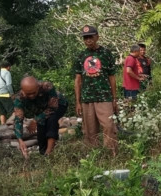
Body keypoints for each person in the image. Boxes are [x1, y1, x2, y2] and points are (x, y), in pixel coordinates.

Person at [73, 25, 118, 155]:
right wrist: (78, 101)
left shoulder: (106, 53)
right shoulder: (81, 56)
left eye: (90, 37)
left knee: (109, 127)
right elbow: (78, 80)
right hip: (87, 98)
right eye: (85, 38)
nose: (88, 40)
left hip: (104, 96)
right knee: (90, 131)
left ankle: (111, 155)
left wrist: (114, 99)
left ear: (97, 37)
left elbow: (112, 77)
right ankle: (94, 158)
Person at [12, 77, 68, 158]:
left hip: (58, 105)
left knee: (51, 120)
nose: (31, 96)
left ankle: (49, 152)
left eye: (33, 93)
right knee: (41, 132)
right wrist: (20, 140)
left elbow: (53, 107)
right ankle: (43, 154)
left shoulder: (47, 86)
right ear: (23, 91)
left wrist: (35, 120)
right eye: (28, 94)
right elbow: (18, 119)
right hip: (41, 110)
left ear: (38, 87)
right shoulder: (19, 98)